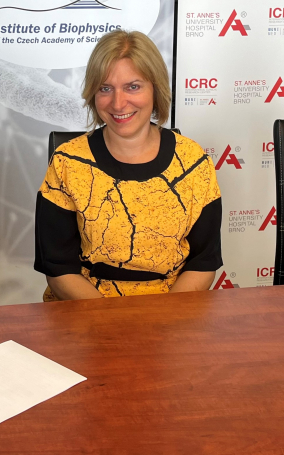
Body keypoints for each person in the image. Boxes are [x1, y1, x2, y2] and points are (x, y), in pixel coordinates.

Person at [34, 30, 222, 300]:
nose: (118, 103)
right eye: (105, 88)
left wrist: (165, 321)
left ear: (155, 89)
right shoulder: (67, 163)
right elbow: (58, 267)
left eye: (133, 86)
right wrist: (111, 327)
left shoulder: (194, 163)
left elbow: (203, 262)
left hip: (172, 311)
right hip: (83, 312)